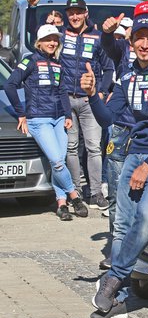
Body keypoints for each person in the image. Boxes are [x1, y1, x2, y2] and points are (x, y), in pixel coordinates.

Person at [84, 13, 148, 318]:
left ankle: (113, 279)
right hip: (133, 154)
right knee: (122, 224)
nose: (144, 43)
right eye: (138, 38)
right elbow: (108, 117)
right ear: (130, 43)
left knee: (145, 218)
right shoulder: (127, 75)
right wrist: (91, 96)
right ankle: (120, 295)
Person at [5, 24, 87, 220]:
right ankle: (74, 196)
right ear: (39, 42)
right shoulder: (30, 61)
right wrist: (21, 114)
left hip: (59, 119)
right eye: (48, 39)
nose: (52, 43)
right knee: (58, 163)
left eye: (54, 39)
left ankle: (61, 204)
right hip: (38, 120)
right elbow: (10, 85)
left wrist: (67, 115)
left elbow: (61, 91)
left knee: (58, 160)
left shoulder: (58, 64)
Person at [59, 0, 114, 210]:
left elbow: (109, 69)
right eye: (71, 12)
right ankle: (76, 191)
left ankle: (97, 192)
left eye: (78, 12)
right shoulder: (61, 35)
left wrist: (101, 92)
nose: (74, 16)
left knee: (93, 147)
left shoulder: (97, 36)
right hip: (66, 100)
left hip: (89, 100)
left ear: (86, 13)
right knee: (71, 148)